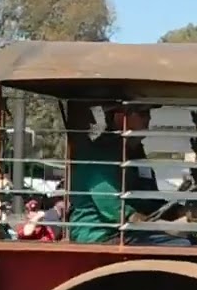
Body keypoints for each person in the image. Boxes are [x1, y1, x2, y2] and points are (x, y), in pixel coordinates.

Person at [64, 101, 190, 247]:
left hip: (130, 233)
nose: (148, 119)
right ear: (120, 117)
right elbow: (112, 206)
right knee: (182, 245)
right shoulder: (100, 154)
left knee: (193, 242)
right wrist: (160, 226)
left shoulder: (133, 152)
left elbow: (147, 199)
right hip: (100, 236)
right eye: (142, 114)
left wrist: (180, 212)